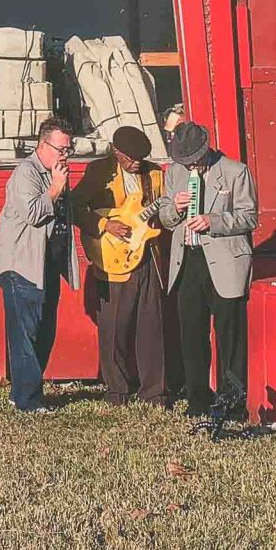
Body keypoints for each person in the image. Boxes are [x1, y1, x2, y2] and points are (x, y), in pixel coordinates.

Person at [149, 120, 257, 417]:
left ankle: (232, 402)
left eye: (193, 159)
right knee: (192, 335)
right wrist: (176, 209)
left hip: (224, 260)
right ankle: (197, 400)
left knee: (229, 336)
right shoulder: (175, 173)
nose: (190, 165)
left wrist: (214, 221)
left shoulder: (235, 171)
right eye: (184, 160)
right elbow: (167, 218)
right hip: (187, 260)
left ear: (206, 148)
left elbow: (249, 217)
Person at [74, 126, 168, 405]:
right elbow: (75, 206)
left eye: (141, 158)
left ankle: (155, 392)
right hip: (112, 257)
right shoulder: (98, 172)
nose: (136, 163)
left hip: (148, 256)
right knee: (114, 325)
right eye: (131, 159)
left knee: (152, 325)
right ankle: (117, 390)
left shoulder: (154, 175)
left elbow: (163, 212)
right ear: (117, 152)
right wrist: (104, 224)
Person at [0, 115, 80, 413]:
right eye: (61, 149)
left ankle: (23, 392)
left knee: (44, 330)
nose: (65, 155)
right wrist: (56, 188)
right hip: (21, 266)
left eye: (69, 149)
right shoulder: (26, 173)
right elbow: (32, 213)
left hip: (46, 265)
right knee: (25, 333)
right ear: (43, 145)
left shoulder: (57, 173)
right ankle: (28, 401)